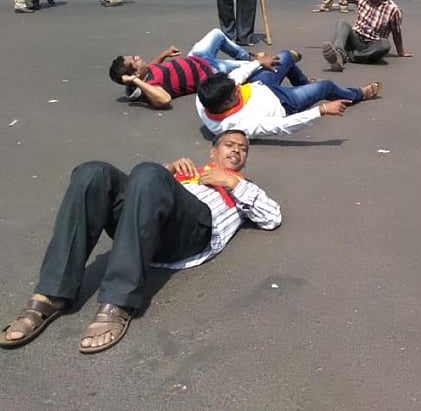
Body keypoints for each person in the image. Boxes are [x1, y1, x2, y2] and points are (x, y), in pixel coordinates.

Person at [0, 130, 281, 354]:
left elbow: (272, 217)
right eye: (229, 145)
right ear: (213, 151)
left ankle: (117, 300)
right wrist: (166, 172)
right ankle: (51, 293)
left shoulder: (244, 188)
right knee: (93, 172)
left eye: (242, 149)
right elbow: (141, 189)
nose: (235, 150)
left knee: (149, 172)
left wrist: (231, 183)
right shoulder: (188, 172)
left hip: (193, 232)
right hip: (147, 226)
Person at [196, 58, 381, 138]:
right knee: (326, 86)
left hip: (260, 86)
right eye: (233, 95)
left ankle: (303, 82)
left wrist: (259, 62)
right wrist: (321, 110)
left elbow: (236, 77)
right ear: (224, 106)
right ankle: (357, 94)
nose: (237, 90)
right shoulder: (237, 126)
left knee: (284, 57)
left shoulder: (205, 96)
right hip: (282, 102)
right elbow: (281, 126)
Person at [107, 28, 287, 108]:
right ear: (135, 74)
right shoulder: (149, 89)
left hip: (196, 57)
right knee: (254, 68)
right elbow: (165, 100)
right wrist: (137, 81)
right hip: (210, 71)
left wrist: (164, 54)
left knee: (217, 34)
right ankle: (277, 67)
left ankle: (248, 55)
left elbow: (152, 66)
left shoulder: (146, 74)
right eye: (135, 61)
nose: (138, 57)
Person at [302, 0, 412, 70]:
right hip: (356, 38)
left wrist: (400, 52)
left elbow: (396, 32)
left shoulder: (393, 10)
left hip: (372, 45)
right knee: (343, 23)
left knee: (385, 45)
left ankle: (349, 56)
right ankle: (338, 54)